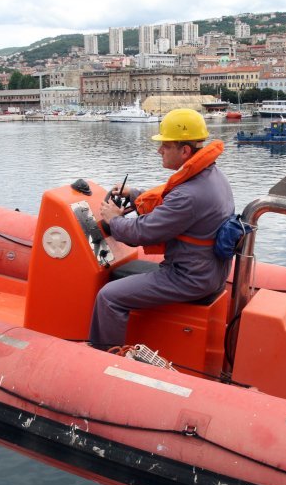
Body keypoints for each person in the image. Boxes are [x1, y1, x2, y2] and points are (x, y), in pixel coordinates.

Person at [89, 108, 235, 350]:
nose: (159, 151)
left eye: (165, 146)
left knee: (109, 296)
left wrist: (114, 219)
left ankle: (106, 357)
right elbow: (171, 205)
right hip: (208, 271)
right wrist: (134, 194)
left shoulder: (189, 194)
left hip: (189, 278)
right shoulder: (211, 177)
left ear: (185, 150)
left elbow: (141, 233)